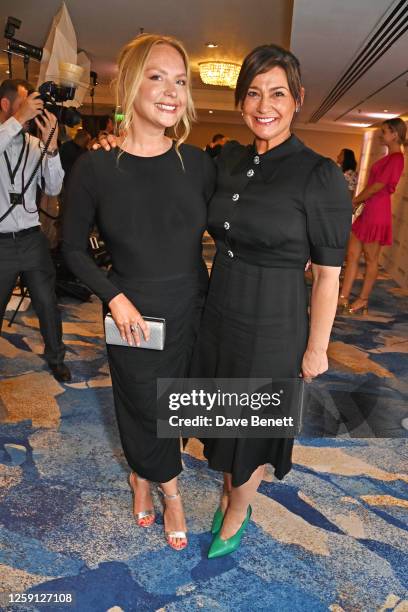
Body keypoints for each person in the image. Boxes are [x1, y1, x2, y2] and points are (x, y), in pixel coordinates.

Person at [190, 44, 352, 558]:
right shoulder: (230, 159)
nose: (265, 105)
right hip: (219, 310)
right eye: (254, 93)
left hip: (274, 320)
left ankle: (237, 510)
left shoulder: (318, 173)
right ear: (240, 102)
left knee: (254, 428)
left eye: (278, 93)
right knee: (220, 416)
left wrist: (316, 348)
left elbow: (329, 274)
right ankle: (229, 491)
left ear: (298, 99)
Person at [62, 34, 215, 550]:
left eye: (180, 80)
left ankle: (147, 476)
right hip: (134, 313)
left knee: (182, 402)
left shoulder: (197, 164)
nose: (171, 91)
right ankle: (167, 489)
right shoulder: (95, 166)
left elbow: (241, 216)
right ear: (129, 84)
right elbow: (73, 250)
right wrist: (115, 297)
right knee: (142, 404)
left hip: (194, 303)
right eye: (156, 76)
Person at [0, 78, 71, 383]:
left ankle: (56, 357)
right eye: (26, 101)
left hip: (31, 238)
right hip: (1, 243)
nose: (34, 106)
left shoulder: (34, 145)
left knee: (46, 303)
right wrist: (18, 120)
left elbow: (54, 187)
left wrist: (52, 149)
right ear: (6, 104)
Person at [338, 118, 405, 314]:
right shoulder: (389, 157)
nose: (381, 135)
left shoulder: (397, 158)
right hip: (368, 209)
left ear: (395, 134)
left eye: (384, 131)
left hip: (377, 211)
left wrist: (355, 201)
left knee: (371, 259)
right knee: (351, 256)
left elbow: (378, 186)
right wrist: (359, 203)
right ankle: (343, 296)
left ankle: (363, 299)